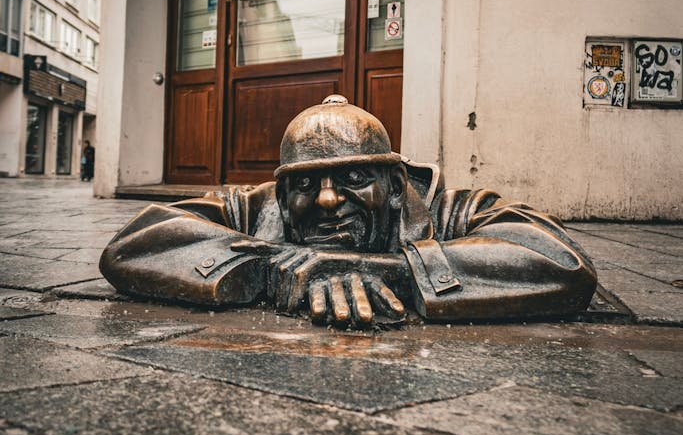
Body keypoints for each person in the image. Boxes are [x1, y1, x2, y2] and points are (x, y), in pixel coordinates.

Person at [100, 96, 597, 328]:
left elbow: (562, 263)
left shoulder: (456, 210)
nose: (327, 200)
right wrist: (270, 267)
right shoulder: (255, 206)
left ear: (396, 185)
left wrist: (387, 272)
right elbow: (133, 243)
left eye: (355, 179)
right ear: (283, 189)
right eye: (306, 184)